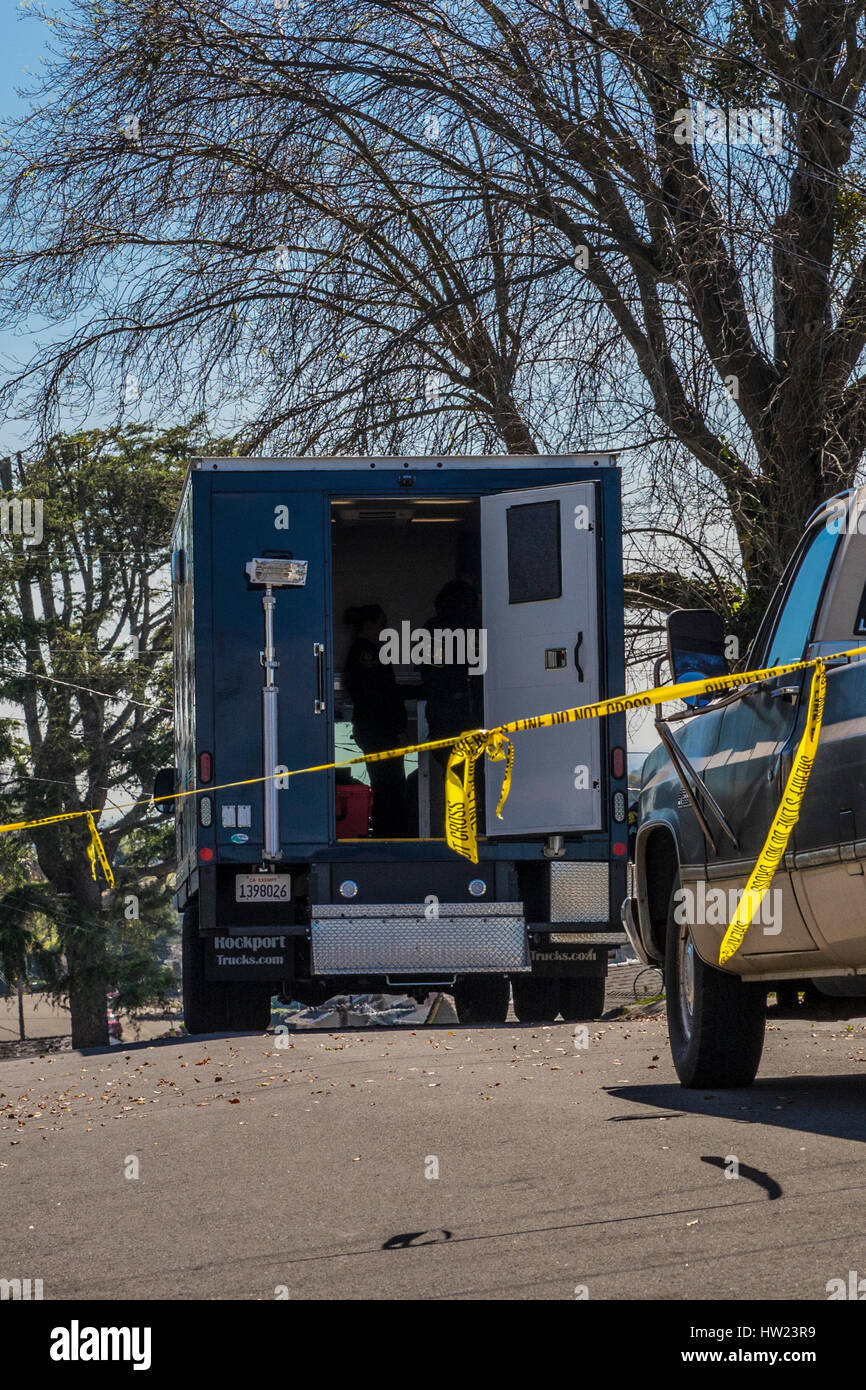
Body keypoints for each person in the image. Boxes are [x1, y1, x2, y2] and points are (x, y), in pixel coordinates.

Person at [415, 580, 484, 834]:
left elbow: (426, 673)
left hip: (444, 723)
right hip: (466, 720)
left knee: (457, 784)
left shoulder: (432, 630)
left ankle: (460, 833)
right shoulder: (474, 629)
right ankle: (470, 833)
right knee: (472, 784)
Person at [343, 604, 407, 837]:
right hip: (378, 731)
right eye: (382, 624)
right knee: (389, 785)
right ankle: (389, 834)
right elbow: (378, 693)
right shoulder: (366, 654)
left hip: (376, 730)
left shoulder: (364, 652)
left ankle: (387, 831)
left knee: (388, 784)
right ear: (369, 625)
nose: (384, 629)